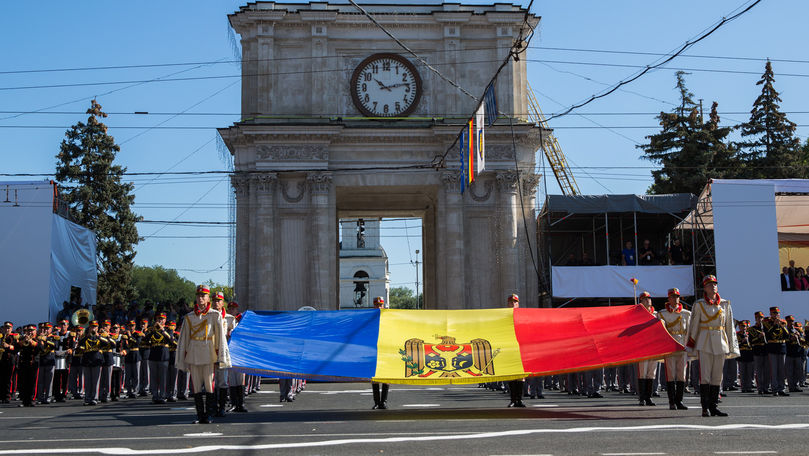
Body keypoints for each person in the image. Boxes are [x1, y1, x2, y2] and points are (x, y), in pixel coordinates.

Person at [686, 275, 739, 417]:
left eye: (715, 284)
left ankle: (714, 406)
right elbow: (694, 325)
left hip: (721, 342)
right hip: (705, 342)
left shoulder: (725, 304)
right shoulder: (699, 305)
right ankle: (705, 407)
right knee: (705, 376)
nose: (713, 286)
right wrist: (691, 343)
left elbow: (729, 325)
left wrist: (732, 345)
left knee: (717, 377)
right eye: (709, 284)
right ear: (705, 288)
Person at [176, 285, 230, 424]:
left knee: (209, 386)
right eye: (198, 296)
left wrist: (220, 356)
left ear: (207, 298)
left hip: (208, 354)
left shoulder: (214, 315)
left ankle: (210, 414)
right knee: (196, 387)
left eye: (203, 296)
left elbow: (219, 337)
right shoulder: (189, 317)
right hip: (194, 354)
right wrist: (184, 357)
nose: (200, 298)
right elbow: (185, 339)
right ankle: (200, 415)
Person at [658, 288, 690, 410]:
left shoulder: (686, 314)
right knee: (670, 374)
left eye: (677, 297)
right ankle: (671, 401)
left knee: (681, 375)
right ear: (668, 299)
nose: (675, 299)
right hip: (670, 347)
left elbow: (689, 331)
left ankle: (679, 400)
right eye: (673, 297)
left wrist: (688, 346)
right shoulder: (662, 314)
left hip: (682, 346)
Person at [212, 292, 233, 416]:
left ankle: (222, 407)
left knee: (223, 381)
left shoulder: (229, 318)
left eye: (218, 301)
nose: (216, 303)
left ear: (222, 302)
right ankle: (213, 406)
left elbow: (233, 335)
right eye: (214, 300)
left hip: (223, 353)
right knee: (212, 381)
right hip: (211, 352)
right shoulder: (208, 316)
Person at [146, 312, 174, 404]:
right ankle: (155, 395)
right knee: (153, 377)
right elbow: (145, 340)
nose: (160, 320)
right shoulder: (151, 329)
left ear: (165, 320)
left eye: (162, 319)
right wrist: (153, 330)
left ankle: (162, 395)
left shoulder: (168, 329)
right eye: (158, 319)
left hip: (163, 356)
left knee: (163, 378)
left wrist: (162, 330)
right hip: (153, 355)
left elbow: (171, 340)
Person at [636, 291, 658, 406]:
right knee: (642, 373)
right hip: (642, 347)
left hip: (653, 347)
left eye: (649, 298)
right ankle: (642, 397)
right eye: (645, 299)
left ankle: (649, 397)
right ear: (641, 302)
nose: (648, 300)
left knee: (651, 373)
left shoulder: (656, 315)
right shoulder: (637, 315)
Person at [76, 321, 104, 406]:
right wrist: (86, 336)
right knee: (87, 381)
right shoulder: (84, 337)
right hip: (87, 360)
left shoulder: (101, 336)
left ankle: (94, 398)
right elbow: (79, 345)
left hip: (96, 360)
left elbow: (107, 343)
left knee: (95, 381)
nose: (93, 328)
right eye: (92, 327)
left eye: (95, 327)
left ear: (97, 328)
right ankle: (87, 398)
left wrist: (98, 336)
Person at [505, 294, 526, 408]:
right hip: (510, 346)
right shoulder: (504, 316)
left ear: (518, 304)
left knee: (521, 374)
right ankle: (513, 399)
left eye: (515, 302)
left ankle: (520, 399)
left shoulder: (522, 315)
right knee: (512, 374)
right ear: (507, 304)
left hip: (520, 346)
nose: (513, 304)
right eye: (511, 302)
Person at [763, 306, 789, 396]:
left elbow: (787, 335)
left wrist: (781, 326)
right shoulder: (766, 322)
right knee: (774, 370)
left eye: (777, 313)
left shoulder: (783, 322)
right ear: (770, 314)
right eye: (774, 313)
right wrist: (774, 325)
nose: (776, 315)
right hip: (772, 347)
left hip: (781, 347)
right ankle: (775, 389)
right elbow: (768, 335)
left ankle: (782, 388)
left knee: (782, 370)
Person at [226, 301, 248, 412]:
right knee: (232, 379)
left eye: (233, 309)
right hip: (229, 352)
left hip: (240, 352)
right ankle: (233, 403)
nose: (231, 310)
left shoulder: (241, 321)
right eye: (229, 308)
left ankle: (241, 403)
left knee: (240, 379)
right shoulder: (225, 320)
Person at [371, 296, 391, 410]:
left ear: (383, 305)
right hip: (375, 350)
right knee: (374, 378)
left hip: (386, 350)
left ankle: (383, 402)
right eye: (377, 304)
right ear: (374, 305)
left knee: (386, 377)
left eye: (380, 304)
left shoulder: (388, 316)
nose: (378, 306)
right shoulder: (370, 318)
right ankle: (376, 402)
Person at [16, 324, 39, 407]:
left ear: (35, 331)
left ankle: (32, 399)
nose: (30, 332)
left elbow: (41, 348)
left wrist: (32, 342)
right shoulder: (22, 339)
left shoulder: (38, 339)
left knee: (32, 383)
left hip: (33, 363)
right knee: (23, 383)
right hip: (23, 363)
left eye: (32, 330)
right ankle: (25, 400)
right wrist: (22, 342)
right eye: (29, 330)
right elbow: (16, 347)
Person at [749, 311, 770, 395]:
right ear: (755, 319)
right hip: (757, 351)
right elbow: (751, 341)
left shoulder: (767, 328)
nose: (760, 320)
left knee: (767, 371)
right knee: (759, 371)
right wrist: (758, 337)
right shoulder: (751, 329)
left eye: (761, 318)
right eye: (758, 318)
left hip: (766, 350)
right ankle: (760, 388)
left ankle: (766, 387)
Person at [785, 317, 804, 393]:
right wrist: (791, 339)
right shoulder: (786, 331)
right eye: (790, 321)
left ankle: (796, 385)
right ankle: (791, 386)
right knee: (790, 371)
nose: (791, 323)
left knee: (798, 371)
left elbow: (803, 340)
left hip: (797, 353)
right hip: (789, 353)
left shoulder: (797, 330)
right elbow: (784, 340)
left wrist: (799, 336)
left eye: (792, 321)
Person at [736, 320, 755, 393]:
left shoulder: (749, 334)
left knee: (750, 372)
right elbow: (736, 345)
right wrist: (742, 341)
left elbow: (754, 342)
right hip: (742, 354)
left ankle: (749, 387)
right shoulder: (737, 335)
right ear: (739, 327)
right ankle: (743, 387)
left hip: (749, 354)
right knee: (743, 373)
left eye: (745, 326)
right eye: (742, 326)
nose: (744, 328)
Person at [0, 322, 16, 404]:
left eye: (8, 328)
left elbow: (16, 347)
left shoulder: (14, 337)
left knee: (8, 379)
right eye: (5, 328)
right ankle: (1, 395)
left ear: (11, 329)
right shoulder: (1, 336)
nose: (7, 329)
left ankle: (7, 396)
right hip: (1, 359)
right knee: (1, 378)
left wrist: (9, 346)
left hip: (10, 359)